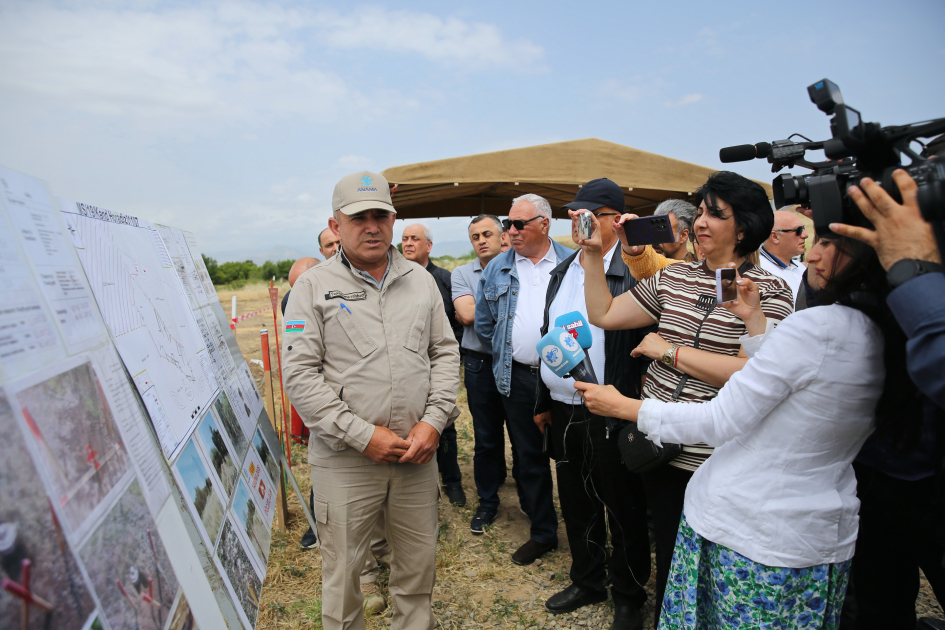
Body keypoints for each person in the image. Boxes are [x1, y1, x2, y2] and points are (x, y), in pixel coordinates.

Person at [574, 229, 902, 629]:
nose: (812, 255)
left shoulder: (814, 322)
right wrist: (756, 323)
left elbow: (723, 416)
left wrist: (628, 404)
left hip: (754, 530)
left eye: (829, 245)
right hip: (812, 527)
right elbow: (796, 383)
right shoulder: (879, 327)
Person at [576, 171, 795, 628]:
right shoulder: (674, 278)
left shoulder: (768, 292)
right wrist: (593, 257)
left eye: (716, 214)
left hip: (714, 453)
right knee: (669, 550)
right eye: (700, 212)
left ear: (745, 228)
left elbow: (753, 370)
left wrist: (669, 351)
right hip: (657, 439)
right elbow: (604, 313)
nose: (700, 222)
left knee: (702, 564)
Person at [282, 170, 460, 630]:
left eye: (380, 215)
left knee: (417, 572)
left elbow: (444, 352)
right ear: (336, 224)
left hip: (416, 456)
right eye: (358, 217)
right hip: (345, 460)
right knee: (343, 582)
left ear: (394, 219)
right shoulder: (312, 287)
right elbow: (299, 376)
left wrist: (434, 421)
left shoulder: (420, 282)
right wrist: (362, 436)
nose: (372, 226)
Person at [533, 179, 653, 630]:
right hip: (566, 408)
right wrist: (544, 398)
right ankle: (587, 579)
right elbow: (550, 336)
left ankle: (628, 594)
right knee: (578, 500)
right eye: (573, 214)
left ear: (612, 219)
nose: (578, 222)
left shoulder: (636, 268)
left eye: (590, 214)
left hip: (612, 407)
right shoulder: (563, 268)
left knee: (621, 506)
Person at [829, 169, 945, 628]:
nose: (815, 253)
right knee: (878, 602)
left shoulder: (916, 284)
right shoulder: (851, 305)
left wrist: (914, 270)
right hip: (875, 474)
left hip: (933, 478)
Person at [475, 193, 571, 566]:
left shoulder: (572, 261)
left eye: (519, 224)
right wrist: (512, 349)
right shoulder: (497, 267)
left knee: (571, 456)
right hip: (518, 378)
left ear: (544, 224)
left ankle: (584, 534)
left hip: (566, 377)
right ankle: (544, 532)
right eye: (507, 223)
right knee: (528, 459)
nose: (509, 231)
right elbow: (486, 325)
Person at [452, 214, 513, 533]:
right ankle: (488, 502)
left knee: (523, 436)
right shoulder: (462, 273)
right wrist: (511, 306)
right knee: (486, 438)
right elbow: (466, 314)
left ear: (503, 237)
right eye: (475, 236)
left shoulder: (520, 267)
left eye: (487, 233)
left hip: (517, 363)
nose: (481, 240)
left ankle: (531, 502)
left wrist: (485, 304)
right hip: (480, 364)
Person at [401, 222, 466, 506]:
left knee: (443, 424)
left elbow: (457, 324)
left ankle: (452, 482)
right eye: (404, 239)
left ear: (429, 245)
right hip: (406, 369)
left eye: (415, 239)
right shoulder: (395, 279)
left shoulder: (444, 279)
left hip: (437, 366)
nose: (408, 243)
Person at [615, 198, 698, 282]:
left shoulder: (697, 269)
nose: (655, 239)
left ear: (683, 235)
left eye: (663, 230)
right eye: (652, 229)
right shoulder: (634, 267)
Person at [758, 209, 809, 299]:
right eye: (798, 230)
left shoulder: (799, 267)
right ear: (775, 237)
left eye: (804, 228)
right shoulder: (759, 270)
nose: (805, 235)